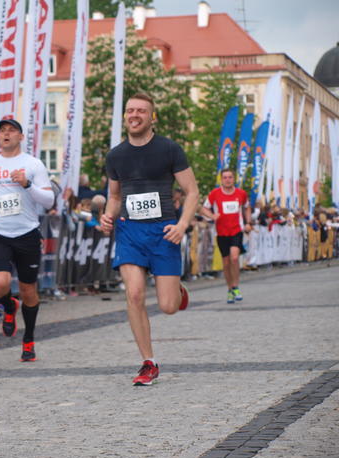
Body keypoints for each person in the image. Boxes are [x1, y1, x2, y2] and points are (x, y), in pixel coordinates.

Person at [100, 93, 198, 386]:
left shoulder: (169, 149)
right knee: (134, 294)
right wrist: (108, 216)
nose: (135, 115)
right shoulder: (115, 155)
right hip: (130, 232)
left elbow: (192, 191)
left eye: (141, 111)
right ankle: (148, 362)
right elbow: (115, 196)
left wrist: (182, 224)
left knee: (168, 306)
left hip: (164, 231)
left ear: (151, 117)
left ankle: (176, 290)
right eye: (130, 110)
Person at [0, 118, 54, 362]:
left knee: (28, 290)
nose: (6, 134)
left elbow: (49, 200)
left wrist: (27, 184)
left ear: (21, 137)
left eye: (11, 130)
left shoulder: (33, 164)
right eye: (2, 131)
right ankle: (9, 306)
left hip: (27, 233)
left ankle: (28, 340)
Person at [201, 168, 251, 304]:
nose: (228, 180)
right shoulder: (215, 193)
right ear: (221, 180)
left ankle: (236, 286)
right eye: (225, 177)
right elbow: (204, 208)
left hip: (236, 230)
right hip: (221, 232)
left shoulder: (241, 193)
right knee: (226, 262)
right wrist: (212, 216)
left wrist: (248, 222)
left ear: (234, 179)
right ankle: (229, 289)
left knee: (234, 257)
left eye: (230, 177)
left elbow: (247, 207)